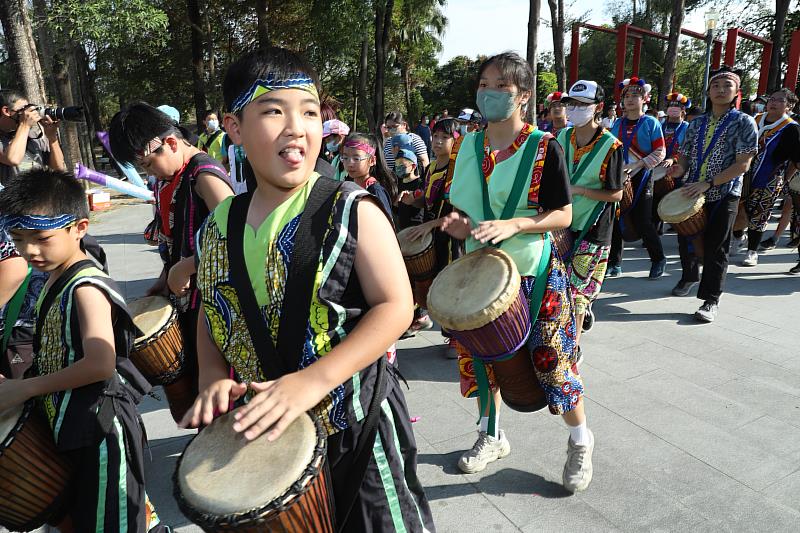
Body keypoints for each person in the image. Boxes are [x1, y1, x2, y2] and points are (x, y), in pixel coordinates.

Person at [184, 46, 433, 531]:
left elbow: (397, 306)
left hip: (356, 425)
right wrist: (211, 376)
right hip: (272, 434)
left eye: (310, 112)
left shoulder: (352, 208)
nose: (296, 126)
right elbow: (212, 308)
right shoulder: (217, 226)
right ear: (234, 129)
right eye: (274, 111)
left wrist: (312, 381)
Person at [443, 52, 593, 493]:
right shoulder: (467, 145)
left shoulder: (545, 147)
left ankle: (580, 439)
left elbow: (563, 215)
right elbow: (464, 208)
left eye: (500, 87)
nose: (488, 93)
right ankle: (490, 435)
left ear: (523, 97)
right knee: (479, 360)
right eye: (484, 84)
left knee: (551, 360)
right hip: (479, 272)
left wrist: (516, 223)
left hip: (531, 273)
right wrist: (461, 226)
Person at [0, 169, 167, 532]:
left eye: (42, 238)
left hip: (100, 430)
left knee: (114, 524)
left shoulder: (85, 286)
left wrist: (25, 388)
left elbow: (101, 363)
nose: (29, 250)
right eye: (18, 239)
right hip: (75, 427)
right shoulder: (54, 276)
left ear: (79, 227)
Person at [109, 102, 233, 421]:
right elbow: (176, 238)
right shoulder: (173, 177)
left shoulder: (204, 175)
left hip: (217, 304)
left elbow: (238, 234)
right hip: (190, 300)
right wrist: (165, 278)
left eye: (149, 164)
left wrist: (187, 266)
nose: (149, 173)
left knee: (220, 401)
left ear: (172, 144)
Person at [668, 66, 758, 320]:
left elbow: (743, 164)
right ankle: (688, 277)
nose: (720, 90)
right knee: (685, 238)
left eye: (726, 86)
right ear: (708, 92)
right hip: (692, 189)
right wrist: (678, 170)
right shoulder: (696, 123)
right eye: (716, 86)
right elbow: (684, 155)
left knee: (717, 247)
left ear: (736, 92)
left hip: (725, 192)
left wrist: (708, 183)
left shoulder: (744, 122)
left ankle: (710, 299)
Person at [557, 80, 624, 354]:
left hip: (594, 229)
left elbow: (616, 194)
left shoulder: (612, 146)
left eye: (583, 105)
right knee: (558, 286)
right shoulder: (561, 138)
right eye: (571, 104)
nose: (574, 109)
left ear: (597, 108)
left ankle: (572, 349)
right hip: (561, 224)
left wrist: (581, 190)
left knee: (577, 293)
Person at [399, 118, 465, 358]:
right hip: (434, 231)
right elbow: (426, 198)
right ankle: (428, 319)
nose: (437, 142)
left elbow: (461, 208)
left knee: (452, 285)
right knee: (434, 282)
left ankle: (457, 339)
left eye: (444, 137)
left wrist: (430, 224)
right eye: (435, 136)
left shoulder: (459, 168)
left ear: (455, 140)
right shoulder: (432, 166)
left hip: (452, 235)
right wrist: (411, 198)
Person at [607, 76, 667, 279]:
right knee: (615, 219)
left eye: (636, 95)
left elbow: (660, 151)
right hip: (620, 177)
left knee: (643, 221)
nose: (631, 99)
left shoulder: (651, 123)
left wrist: (638, 165)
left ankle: (658, 259)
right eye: (627, 96)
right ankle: (615, 263)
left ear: (645, 99)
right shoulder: (617, 124)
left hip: (642, 177)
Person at [736, 89, 800, 267]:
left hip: (769, 179)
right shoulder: (754, 119)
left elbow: (796, 160)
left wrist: (784, 179)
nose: (773, 103)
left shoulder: (791, 128)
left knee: (759, 215)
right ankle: (739, 236)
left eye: (780, 100)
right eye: (771, 99)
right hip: (743, 174)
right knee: (737, 209)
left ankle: (752, 251)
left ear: (789, 106)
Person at [0, 89, 66, 183]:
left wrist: (52, 138)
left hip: (40, 195)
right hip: (15, 197)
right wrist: (25, 125)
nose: (27, 114)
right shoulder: (23, 129)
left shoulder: (32, 134)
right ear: (6, 111)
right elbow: (13, 159)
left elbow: (59, 169)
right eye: (23, 109)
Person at [654, 92, 692, 228]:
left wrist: (673, 159)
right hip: (659, 165)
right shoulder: (659, 125)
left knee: (675, 197)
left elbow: (687, 149)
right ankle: (656, 227)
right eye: (671, 105)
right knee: (656, 198)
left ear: (683, 110)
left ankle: (678, 225)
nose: (673, 108)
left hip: (678, 168)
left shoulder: (688, 127)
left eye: (677, 106)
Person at [341, 131, 396, 216]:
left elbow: (385, 225)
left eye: (356, 158)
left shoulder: (376, 191)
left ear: (372, 161)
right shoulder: (349, 187)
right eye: (345, 157)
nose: (349, 163)